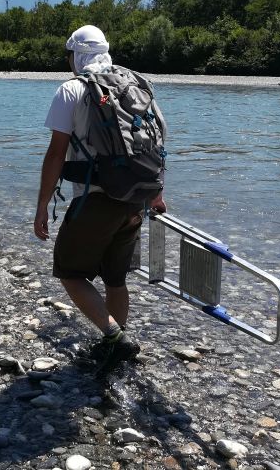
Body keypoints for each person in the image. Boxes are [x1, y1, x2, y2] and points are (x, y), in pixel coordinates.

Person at [33, 24, 166, 370]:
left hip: (97, 200)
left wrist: (42, 206)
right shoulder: (137, 83)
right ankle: (116, 348)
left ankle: (115, 338)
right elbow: (155, 143)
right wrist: (155, 195)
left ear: (75, 56)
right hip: (136, 198)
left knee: (70, 272)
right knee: (115, 278)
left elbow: (55, 155)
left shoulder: (72, 90)